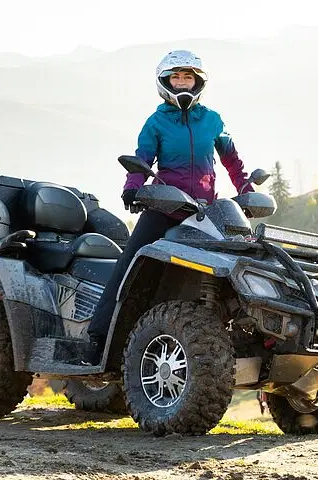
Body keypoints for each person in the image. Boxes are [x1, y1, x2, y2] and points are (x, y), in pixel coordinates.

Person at [82, 49, 254, 365]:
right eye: (176, 77)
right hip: (165, 208)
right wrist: (132, 189)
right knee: (128, 265)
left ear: (198, 81)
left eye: (188, 76)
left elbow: (232, 160)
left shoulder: (213, 120)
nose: (182, 82)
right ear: (166, 82)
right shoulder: (156, 122)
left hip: (206, 212)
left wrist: (246, 190)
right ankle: (97, 339)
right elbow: (142, 159)